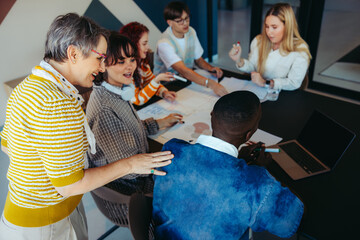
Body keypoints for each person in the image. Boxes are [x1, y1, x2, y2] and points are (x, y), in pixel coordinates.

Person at [0, 13, 173, 240]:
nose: (102, 67)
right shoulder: (57, 104)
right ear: (73, 54)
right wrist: (131, 164)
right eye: (100, 58)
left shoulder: (29, 86)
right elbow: (70, 186)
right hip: (46, 222)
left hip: (36, 210)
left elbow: (8, 146)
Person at [152, 91, 304, 240]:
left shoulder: (172, 149)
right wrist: (261, 171)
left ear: (211, 116)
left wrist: (241, 162)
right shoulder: (256, 184)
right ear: (248, 135)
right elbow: (288, 224)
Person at [85, 31, 183, 217]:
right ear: (102, 65)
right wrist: (166, 164)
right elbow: (130, 170)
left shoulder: (119, 90)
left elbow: (130, 129)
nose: (130, 66)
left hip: (137, 174)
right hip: (129, 191)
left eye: (131, 59)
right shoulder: (105, 108)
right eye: (121, 62)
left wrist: (159, 123)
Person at [229, 3, 312, 91]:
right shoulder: (258, 41)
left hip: (281, 95)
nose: (269, 32)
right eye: (267, 26)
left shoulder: (299, 50)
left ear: (287, 27)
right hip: (258, 89)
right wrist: (238, 60)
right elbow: (252, 67)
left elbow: (293, 83)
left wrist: (266, 82)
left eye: (274, 27)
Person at [154, 1, 228, 97]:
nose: (185, 23)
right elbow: (183, 70)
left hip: (187, 80)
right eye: (180, 21)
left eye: (186, 18)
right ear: (170, 23)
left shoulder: (191, 32)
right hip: (166, 86)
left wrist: (211, 68)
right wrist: (211, 84)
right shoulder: (164, 43)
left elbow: (198, 59)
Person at [119, 22, 177, 105]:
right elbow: (137, 100)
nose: (148, 47)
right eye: (144, 43)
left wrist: (164, 92)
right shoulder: (125, 71)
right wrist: (157, 79)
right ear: (133, 44)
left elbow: (150, 83)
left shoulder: (142, 64)